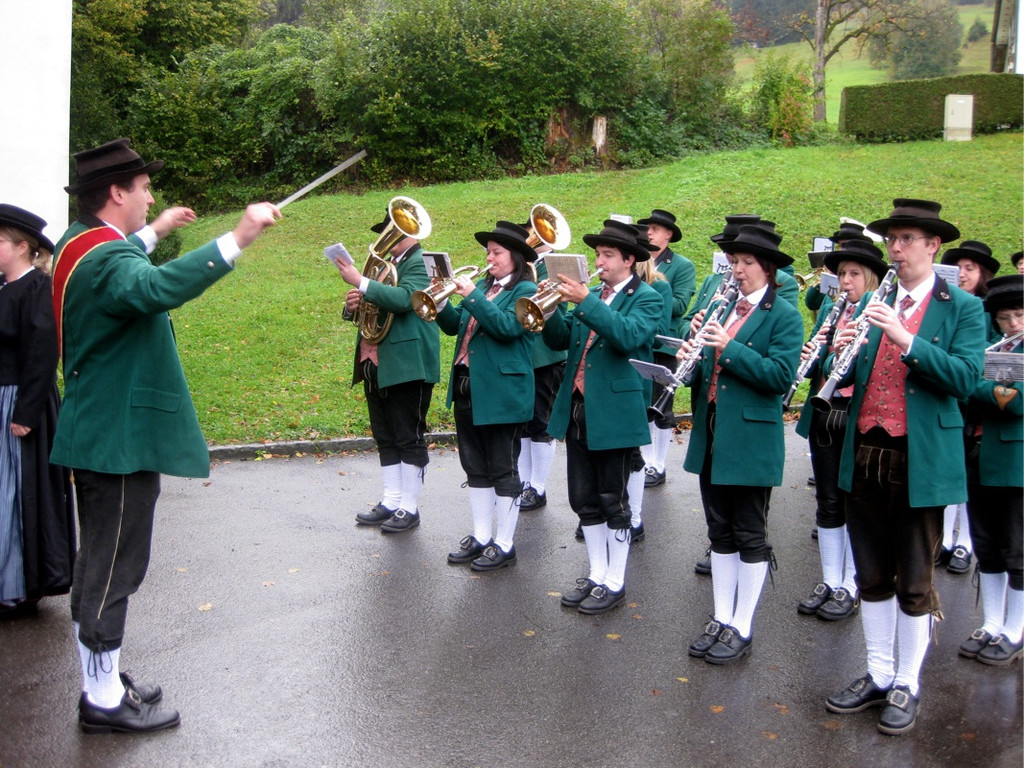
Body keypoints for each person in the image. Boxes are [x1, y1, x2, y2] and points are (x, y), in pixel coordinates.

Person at [54, 138, 280, 733]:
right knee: (113, 565)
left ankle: (100, 677)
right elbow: (148, 287)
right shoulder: (106, 260)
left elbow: (125, 257)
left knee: (102, 561)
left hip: (101, 430)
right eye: (144, 188)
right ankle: (101, 701)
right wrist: (239, 238)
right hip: (117, 437)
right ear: (115, 193)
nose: (150, 194)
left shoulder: (80, 245)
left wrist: (153, 229)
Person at [824, 199, 985, 736]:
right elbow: (847, 373)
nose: (896, 248)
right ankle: (877, 671)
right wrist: (839, 352)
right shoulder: (875, 298)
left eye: (908, 239)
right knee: (870, 573)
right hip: (865, 451)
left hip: (919, 459)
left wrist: (905, 338)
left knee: (914, 579)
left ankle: (907, 683)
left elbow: (964, 379)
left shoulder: (960, 307)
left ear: (933, 245)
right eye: (892, 239)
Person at [681, 223, 803, 664]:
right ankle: (720, 615)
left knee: (750, 532)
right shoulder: (724, 307)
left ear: (768, 268)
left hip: (752, 436)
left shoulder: (785, 315)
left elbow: (779, 379)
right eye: (734, 262)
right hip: (713, 430)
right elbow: (706, 371)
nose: (737, 270)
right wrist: (689, 355)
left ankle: (742, 625)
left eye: (747, 263)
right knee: (719, 530)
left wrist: (729, 346)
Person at [542, 220, 662, 614]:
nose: (600, 261)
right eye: (597, 254)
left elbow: (628, 337)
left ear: (629, 260)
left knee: (614, 499)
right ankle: (596, 574)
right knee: (584, 499)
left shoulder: (647, 298)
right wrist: (550, 309)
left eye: (608, 255)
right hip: (578, 408)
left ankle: (616, 580)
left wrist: (584, 303)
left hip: (615, 411)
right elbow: (560, 341)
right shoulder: (591, 295)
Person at [793, 240, 889, 622]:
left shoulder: (878, 310)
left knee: (852, 501)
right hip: (824, 408)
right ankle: (831, 580)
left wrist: (841, 349)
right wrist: (814, 351)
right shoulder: (834, 309)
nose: (845, 282)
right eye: (842, 274)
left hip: (855, 411)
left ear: (870, 278)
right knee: (828, 499)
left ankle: (851, 583)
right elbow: (824, 356)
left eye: (853, 275)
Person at [438, 222, 537, 571]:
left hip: (504, 392)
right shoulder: (483, 286)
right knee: (476, 467)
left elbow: (508, 327)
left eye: (496, 252)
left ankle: (505, 543)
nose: (489, 258)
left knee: (502, 467)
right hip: (468, 386)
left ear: (516, 257)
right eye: (488, 251)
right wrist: (438, 301)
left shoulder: (528, 289)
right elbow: (455, 326)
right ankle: (481, 536)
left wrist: (472, 296)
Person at [336, 208, 440, 533]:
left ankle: (410, 507)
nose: (386, 237)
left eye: (393, 230)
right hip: (375, 361)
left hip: (408, 364)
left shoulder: (422, 264)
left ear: (410, 232)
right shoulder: (386, 267)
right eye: (385, 230)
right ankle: (391, 500)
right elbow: (373, 305)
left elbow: (405, 299)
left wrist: (361, 280)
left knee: (409, 437)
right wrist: (352, 305)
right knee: (385, 436)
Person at [0, 204, 74, 614]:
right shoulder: (1, 287)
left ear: (23, 247)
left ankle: (19, 584)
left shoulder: (37, 289)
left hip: (20, 405)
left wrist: (25, 413)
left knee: (15, 495)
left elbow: (44, 355)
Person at [957, 274, 1023, 666]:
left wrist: (973, 382)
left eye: (1019, 315)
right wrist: (982, 383)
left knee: (1016, 548)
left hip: (1014, 461)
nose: (1013, 325)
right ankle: (992, 622)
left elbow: (1014, 402)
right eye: (1004, 318)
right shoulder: (993, 349)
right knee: (986, 544)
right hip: (977, 453)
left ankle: (1015, 628)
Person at [936, 240, 1000, 573]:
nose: (962, 274)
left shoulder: (990, 309)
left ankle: (965, 543)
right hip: (952, 394)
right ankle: (944, 538)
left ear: (982, 273)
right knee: (949, 466)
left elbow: (989, 351)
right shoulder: (946, 303)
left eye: (970, 269)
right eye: (957, 268)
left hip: (977, 396)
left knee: (967, 473)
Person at [635, 209, 695, 488]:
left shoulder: (681, 266)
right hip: (640, 343)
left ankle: (658, 463)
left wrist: (651, 293)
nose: (649, 232)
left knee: (662, 405)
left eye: (656, 229)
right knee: (645, 405)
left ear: (668, 234)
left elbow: (681, 306)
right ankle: (645, 459)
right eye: (648, 228)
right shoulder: (637, 258)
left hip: (665, 345)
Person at [623, 228, 673, 543]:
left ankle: (634, 516)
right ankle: (614, 511)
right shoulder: (609, 290)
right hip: (621, 370)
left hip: (648, 364)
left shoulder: (657, 287)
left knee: (633, 449)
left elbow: (660, 328)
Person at [517, 235, 567, 513]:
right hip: (521, 356)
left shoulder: (553, 265)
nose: (530, 239)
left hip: (545, 356)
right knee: (523, 423)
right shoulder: (523, 266)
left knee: (541, 422)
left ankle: (538, 486)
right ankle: (524, 482)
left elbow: (564, 309)